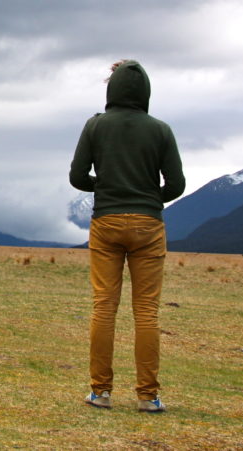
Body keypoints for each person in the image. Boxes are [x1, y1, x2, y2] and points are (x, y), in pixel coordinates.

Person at [69, 59, 185, 413]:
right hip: (149, 225)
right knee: (146, 311)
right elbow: (176, 185)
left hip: (106, 221)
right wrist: (149, 197)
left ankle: (101, 392)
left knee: (104, 307)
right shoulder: (161, 130)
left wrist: (105, 187)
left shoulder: (95, 126)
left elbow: (77, 177)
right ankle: (148, 396)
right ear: (145, 91)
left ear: (111, 90)